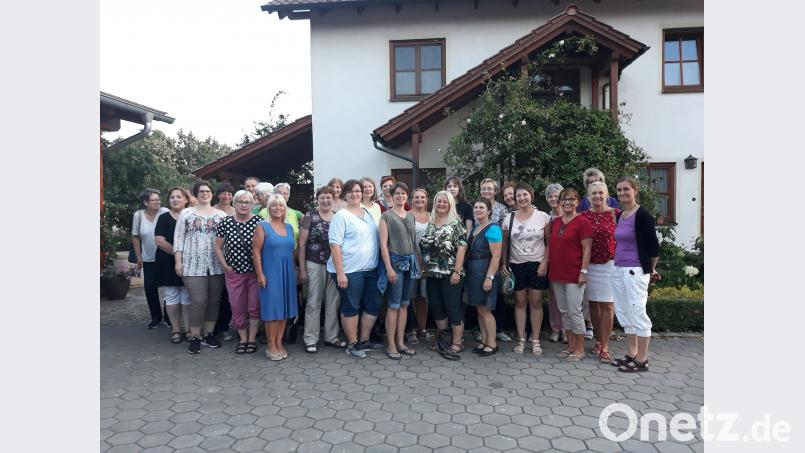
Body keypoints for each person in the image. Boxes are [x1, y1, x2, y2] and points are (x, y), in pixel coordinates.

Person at [328, 179, 384, 358]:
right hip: (350, 271)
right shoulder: (341, 216)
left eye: (358, 191)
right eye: (351, 191)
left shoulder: (367, 213)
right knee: (351, 306)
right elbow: (335, 246)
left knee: (373, 304)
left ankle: (364, 340)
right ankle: (352, 343)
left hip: (370, 269)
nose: (355, 194)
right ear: (345, 194)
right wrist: (340, 273)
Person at [611, 176, 660, 373]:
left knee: (638, 312)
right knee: (624, 312)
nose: (622, 193)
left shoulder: (642, 215)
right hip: (618, 269)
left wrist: (649, 268)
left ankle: (642, 359)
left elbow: (654, 247)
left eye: (626, 189)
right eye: (619, 190)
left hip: (635, 270)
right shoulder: (621, 214)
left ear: (635, 190)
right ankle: (631, 353)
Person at [174, 181, 227, 354]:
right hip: (192, 265)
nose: (205, 193)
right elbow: (179, 238)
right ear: (196, 194)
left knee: (214, 301)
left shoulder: (221, 215)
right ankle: (195, 335)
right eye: (202, 191)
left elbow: (226, 242)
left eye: (208, 191)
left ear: (212, 194)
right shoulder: (186, 214)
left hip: (216, 265)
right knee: (199, 301)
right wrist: (178, 261)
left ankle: (208, 334)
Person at [501, 183, 551, 357]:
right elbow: (505, 244)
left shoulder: (543, 217)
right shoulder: (509, 218)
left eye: (525, 195)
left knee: (536, 302)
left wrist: (545, 261)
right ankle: (521, 340)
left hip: (537, 264)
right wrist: (504, 264)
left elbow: (549, 242)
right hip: (517, 265)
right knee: (520, 302)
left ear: (531, 195)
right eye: (518, 196)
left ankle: (536, 340)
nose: (522, 198)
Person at [419, 191, 467, 360]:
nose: (441, 204)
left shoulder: (456, 223)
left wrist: (456, 271)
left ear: (450, 204)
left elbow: (462, 247)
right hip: (432, 273)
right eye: (439, 201)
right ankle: (444, 340)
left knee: (453, 308)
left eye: (445, 202)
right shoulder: (431, 222)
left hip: (450, 273)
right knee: (437, 308)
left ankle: (456, 342)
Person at [547, 188, 592, 362]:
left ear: (578, 202)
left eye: (572, 199)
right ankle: (571, 346)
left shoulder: (583, 222)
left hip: (575, 273)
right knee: (564, 311)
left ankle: (580, 349)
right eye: (564, 199)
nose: (568, 202)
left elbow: (587, 249)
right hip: (557, 273)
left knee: (575, 311)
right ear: (559, 202)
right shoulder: (556, 222)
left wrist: (584, 271)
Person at [214, 190, 262, 355]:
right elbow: (218, 247)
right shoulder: (226, 222)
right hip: (234, 273)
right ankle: (242, 338)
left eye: (247, 202)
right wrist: (225, 265)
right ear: (234, 203)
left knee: (254, 306)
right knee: (237, 307)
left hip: (255, 273)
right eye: (240, 202)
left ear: (252, 205)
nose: (243, 205)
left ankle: (252, 339)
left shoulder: (259, 222)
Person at [298, 186, 345, 353]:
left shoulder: (338, 216)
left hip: (333, 265)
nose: (326, 200)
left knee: (333, 302)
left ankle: (331, 337)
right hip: (314, 263)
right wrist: (302, 268)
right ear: (317, 199)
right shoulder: (310, 216)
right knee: (313, 301)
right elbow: (302, 244)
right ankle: (311, 338)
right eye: (322, 197)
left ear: (333, 199)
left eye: (328, 197)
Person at [253, 194, 298, 361]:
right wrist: (260, 274)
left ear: (285, 208)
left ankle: (279, 343)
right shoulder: (262, 226)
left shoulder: (289, 227)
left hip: (287, 274)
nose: (278, 208)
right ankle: (271, 345)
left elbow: (292, 251)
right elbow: (256, 252)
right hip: (270, 273)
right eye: (274, 205)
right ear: (268, 208)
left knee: (284, 311)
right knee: (272, 311)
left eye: (281, 205)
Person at [581, 181, 621, 363]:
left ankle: (605, 346)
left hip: (609, 265)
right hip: (589, 266)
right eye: (593, 193)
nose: (597, 196)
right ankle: (598, 340)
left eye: (600, 193)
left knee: (608, 305)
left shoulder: (616, 214)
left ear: (607, 194)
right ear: (588, 196)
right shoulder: (583, 216)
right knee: (594, 305)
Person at [379, 182, 419, 360]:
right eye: (397, 193)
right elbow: (383, 245)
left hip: (410, 263)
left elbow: (414, 242)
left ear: (406, 196)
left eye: (404, 193)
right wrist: (388, 268)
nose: (400, 196)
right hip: (395, 263)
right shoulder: (386, 216)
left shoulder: (410, 216)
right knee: (393, 305)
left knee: (405, 304)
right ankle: (391, 344)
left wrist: (418, 264)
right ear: (392, 195)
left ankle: (401, 342)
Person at [466, 198, 503, 356]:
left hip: (485, 271)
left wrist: (489, 277)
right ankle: (484, 340)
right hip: (473, 271)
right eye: (476, 207)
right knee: (479, 308)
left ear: (489, 211)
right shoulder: (475, 227)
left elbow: (496, 257)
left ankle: (492, 343)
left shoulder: (493, 228)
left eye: (481, 207)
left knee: (486, 309)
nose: (478, 209)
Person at [154, 187, 191, 344]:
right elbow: (159, 240)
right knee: (171, 295)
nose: (175, 200)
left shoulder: (192, 216)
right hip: (167, 262)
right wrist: (178, 254)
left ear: (186, 200)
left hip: (189, 263)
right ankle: (176, 329)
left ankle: (189, 329)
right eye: (172, 197)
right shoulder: (163, 218)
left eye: (179, 197)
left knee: (187, 296)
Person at [479, 178, 513, 343]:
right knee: (481, 295)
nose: (486, 191)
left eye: (489, 189)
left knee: (497, 294)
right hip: (479, 257)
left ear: (495, 191)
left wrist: (501, 260)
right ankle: (484, 330)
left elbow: (505, 236)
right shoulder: (477, 206)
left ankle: (499, 329)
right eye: (484, 188)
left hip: (496, 255)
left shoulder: (502, 209)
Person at [131, 188, 170, 329]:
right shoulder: (138, 215)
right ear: (145, 202)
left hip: (166, 257)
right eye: (153, 200)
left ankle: (168, 317)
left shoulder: (165, 212)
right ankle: (156, 317)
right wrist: (138, 256)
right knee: (150, 288)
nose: (157, 202)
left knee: (169, 288)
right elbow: (135, 237)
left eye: (158, 199)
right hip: (148, 258)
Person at [405, 188, 434, 345]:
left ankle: (422, 329)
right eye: (416, 197)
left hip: (429, 264)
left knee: (424, 297)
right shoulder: (407, 216)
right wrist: (418, 262)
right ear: (411, 199)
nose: (419, 200)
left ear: (427, 199)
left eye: (422, 197)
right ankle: (411, 330)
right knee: (410, 297)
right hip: (411, 263)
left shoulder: (432, 216)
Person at [212, 183, 236, 341]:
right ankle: (210, 327)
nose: (227, 196)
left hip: (232, 259)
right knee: (214, 295)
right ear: (218, 194)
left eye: (229, 194)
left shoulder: (236, 211)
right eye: (224, 193)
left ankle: (224, 326)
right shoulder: (211, 210)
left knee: (228, 295)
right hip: (213, 256)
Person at [544, 183, 567, 344]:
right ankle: (555, 329)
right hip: (552, 261)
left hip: (568, 261)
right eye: (550, 196)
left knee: (568, 297)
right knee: (554, 297)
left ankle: (566, 330)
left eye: (556, 196)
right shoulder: (546, 218)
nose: (553, 199)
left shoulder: (570, 216)